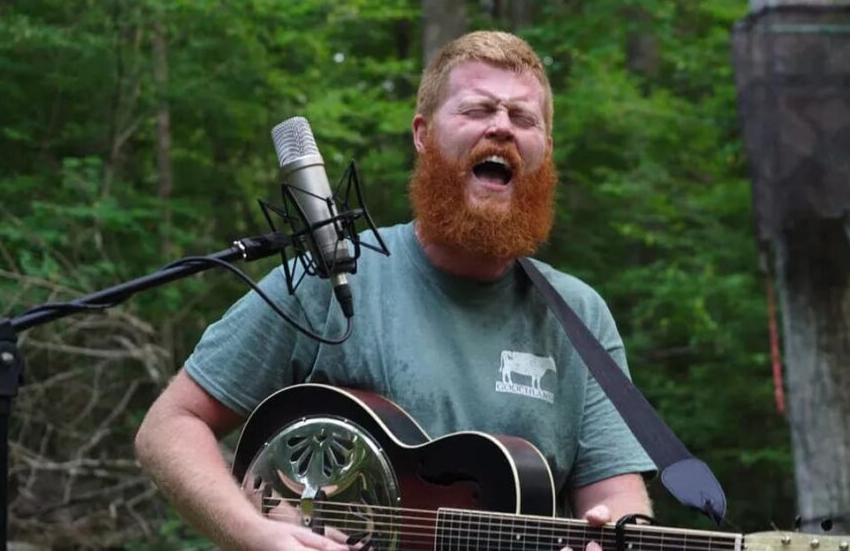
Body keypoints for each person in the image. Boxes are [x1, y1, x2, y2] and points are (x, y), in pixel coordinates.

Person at [135, 30, 654, 551]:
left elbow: (618, 499)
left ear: (546, 150)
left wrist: (613, 535)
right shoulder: (334, 277)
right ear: (422, 134)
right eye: (477, 110)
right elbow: (171, 425)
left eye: (523, 118)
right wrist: (257, 534)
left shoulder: (578, 315)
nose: (501, 127)